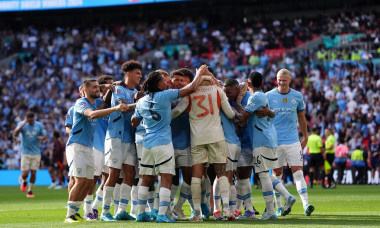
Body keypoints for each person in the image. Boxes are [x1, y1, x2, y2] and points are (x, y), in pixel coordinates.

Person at [131, 66, 209, 223]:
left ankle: (140, 214)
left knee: (145, 178)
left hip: (147, 143)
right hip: (163, 143)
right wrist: (199, 73)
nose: (167, 81)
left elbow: (134, 121)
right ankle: (161, 214)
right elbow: (192, 87)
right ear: (158, 84)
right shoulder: (165, 95)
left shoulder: (142, 101)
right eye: (163, 80)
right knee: (166, 178)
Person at [172, 66, 236, 222]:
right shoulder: (218, 90)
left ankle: (197, 214)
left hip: (197, 138)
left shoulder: (190, 92)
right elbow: (231, 114)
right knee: (221, 172)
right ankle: (226, 210)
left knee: (196, 175)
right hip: (216, 136)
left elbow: (177, 112)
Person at [64, 79, 127, 223]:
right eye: (94, 88)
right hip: (76, 146)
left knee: (87, 182)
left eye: (97, 87)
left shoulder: (97, 103)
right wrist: (116, 108)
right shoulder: (81, 103)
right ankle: (69, 215)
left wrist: (107, 86)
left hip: (88, 146)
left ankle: (76, 212)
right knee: (80, 180)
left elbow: (104, 99)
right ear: (85, 91)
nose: (97, 89)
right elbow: (91, 115)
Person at [239, 71, 292, 220]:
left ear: (249, 84)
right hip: (267, 138)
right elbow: (269, 113)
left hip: (262, 139)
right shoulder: (261, 96)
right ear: (262, 84)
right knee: (264, 174)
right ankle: (283, 199)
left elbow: (243, 119)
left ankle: (270, 210)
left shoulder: (255, 97)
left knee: (263, 175)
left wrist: (234, 109)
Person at [261, 68, 314, 216]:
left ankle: (306, 205)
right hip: (274, 142)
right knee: (277, 174)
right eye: (279, 80)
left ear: (290, 80)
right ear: (276, 80)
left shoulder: (297, 96)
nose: (282, 82)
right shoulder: (268, 96)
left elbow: (301, 118)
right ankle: (279, 206)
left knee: (298, 172)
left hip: (292, 141)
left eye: (285, 80)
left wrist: (305, 136)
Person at [101, 60, 142, 221]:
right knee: (114, 173)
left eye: (140, 73)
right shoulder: (118, 89)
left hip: (130, 138)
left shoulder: (137, 92)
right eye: (137, 73)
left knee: (131, 174)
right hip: (116, 136)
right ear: (128, 73)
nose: (139, 76)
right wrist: (138, 104)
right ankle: (105, 212)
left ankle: (121, 210)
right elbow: (123, 108)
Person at [223, 78, 257, 219]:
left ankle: (277, 203)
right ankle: (248, 210)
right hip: (241, 143)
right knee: (243, 178)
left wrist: (238, 122)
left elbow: (244, 119)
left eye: (229, 92)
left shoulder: (248, 97)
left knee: (262, 175)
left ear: (236, 89)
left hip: (253, 141)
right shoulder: (229, 98)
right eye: (225, 92)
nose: (227, 95)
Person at [83, 75, 115, 220]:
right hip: (96, 146)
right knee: (92, 179)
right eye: (108, 85)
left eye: (112, 85)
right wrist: (107, 91)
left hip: (110, 146)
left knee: (107, 178)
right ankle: (87, 209)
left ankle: (95, 206)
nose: (112, 88)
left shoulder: (115, 102)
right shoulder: (95, 103)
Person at [169, 69, 195, 220]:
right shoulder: (165, 96)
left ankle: (178, 207)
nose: (179, 82)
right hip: (167, 144)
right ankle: (168, 209)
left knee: (189, 178)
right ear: (171, 80)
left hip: (186, 143)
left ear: (187, 83)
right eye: (176, 79)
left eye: (182, 80)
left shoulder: (191, 97)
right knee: (170, 179)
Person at [13, 111, 47, 198]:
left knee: (33, 173)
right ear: (27, 119)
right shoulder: (22, 124)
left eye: (32, 120)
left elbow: (45, 136)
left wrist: (42, 138)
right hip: (25, 153)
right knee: (25, 174)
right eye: (30, 121)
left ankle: (30, 191)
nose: (31, 122)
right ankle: (24, 181)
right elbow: (15, 134)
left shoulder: (39, 125)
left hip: (36, 153)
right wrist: (23, 123)